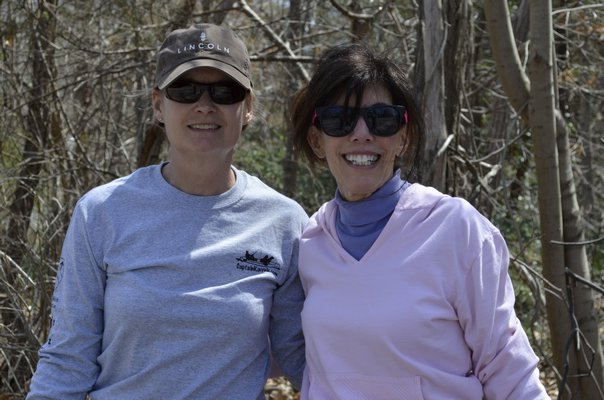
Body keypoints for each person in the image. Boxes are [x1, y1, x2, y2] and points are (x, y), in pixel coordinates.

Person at [27, 23, 307, 399]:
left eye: (225, 92)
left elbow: (303, 357)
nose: (204, 105)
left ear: (249, 107)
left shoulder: (284, 222)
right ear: (159, 104)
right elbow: (67, 358)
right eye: (185, 90)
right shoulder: (102, 212)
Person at [290, 43, 549, 399]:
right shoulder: (311, 240)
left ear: (403, 137)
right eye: (339, 119)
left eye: (383, 119)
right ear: (317, 140)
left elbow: (509, 369)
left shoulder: (455, 229)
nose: (362, 133)